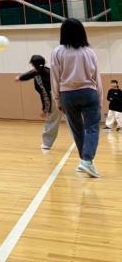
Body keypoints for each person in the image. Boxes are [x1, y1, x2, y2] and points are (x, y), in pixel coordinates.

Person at [51, 18, 103, 178]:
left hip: (67, 95)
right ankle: (87, 161)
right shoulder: (89, 52)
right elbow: (97, 77)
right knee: (92, 128)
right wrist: (100, 99)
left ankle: (86, 161)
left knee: (77, 129)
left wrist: (57, 99)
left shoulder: (57, 51)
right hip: (89, 93)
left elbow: (54, 78)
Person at [15, 55, 60, 150]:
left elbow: (45, 94)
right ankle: (83, 140)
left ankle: (47, 144)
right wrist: (20, 78)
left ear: (33, 64)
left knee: (51, 120)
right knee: (72, 119)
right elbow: (31, 73)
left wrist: (46, 109)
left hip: (55, 98)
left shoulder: (39, 76)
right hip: (65, 94)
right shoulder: (46, 70)